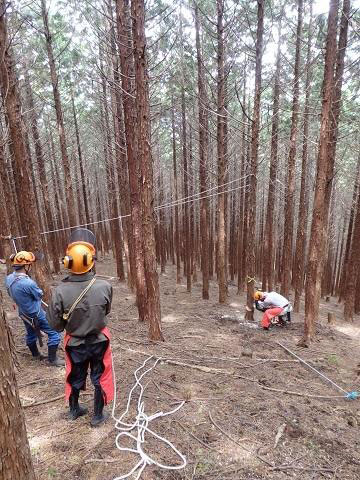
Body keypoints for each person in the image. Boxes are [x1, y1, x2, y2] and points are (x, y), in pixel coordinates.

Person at [48, 228, 114, 427]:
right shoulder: (105, 286)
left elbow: (55, 324)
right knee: (100, 376)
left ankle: (74, 409)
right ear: (91, 261)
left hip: (74, 343)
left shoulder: (59, 291)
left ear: (68, 263)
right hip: (99, 342)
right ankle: (97, 416)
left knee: (74, 374)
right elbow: (106, 311)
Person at [5, 251, 64, 366]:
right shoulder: (28, 283)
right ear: (26, 266)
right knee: (54, 333)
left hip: (23, 313)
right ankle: (53, 360)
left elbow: (9, 292)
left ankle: (35, 354)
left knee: (31, 334)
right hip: (36, 314)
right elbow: (39, 295)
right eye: (30, 264)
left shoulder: (9, 278)